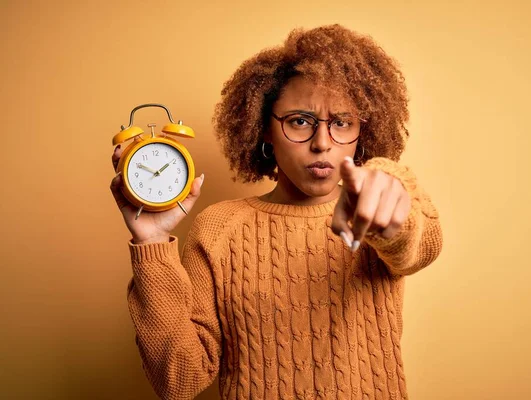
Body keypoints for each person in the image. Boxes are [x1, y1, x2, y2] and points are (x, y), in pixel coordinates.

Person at [110, 24, 443, 400]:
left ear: (362, 130)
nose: (321, 143)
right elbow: (179, 380)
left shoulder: (376, 207)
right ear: (264, 128)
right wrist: (151, 241)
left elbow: (421, 243)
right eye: (300, 121)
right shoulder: (219, 229)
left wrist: (390, 198)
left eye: (342, 123)